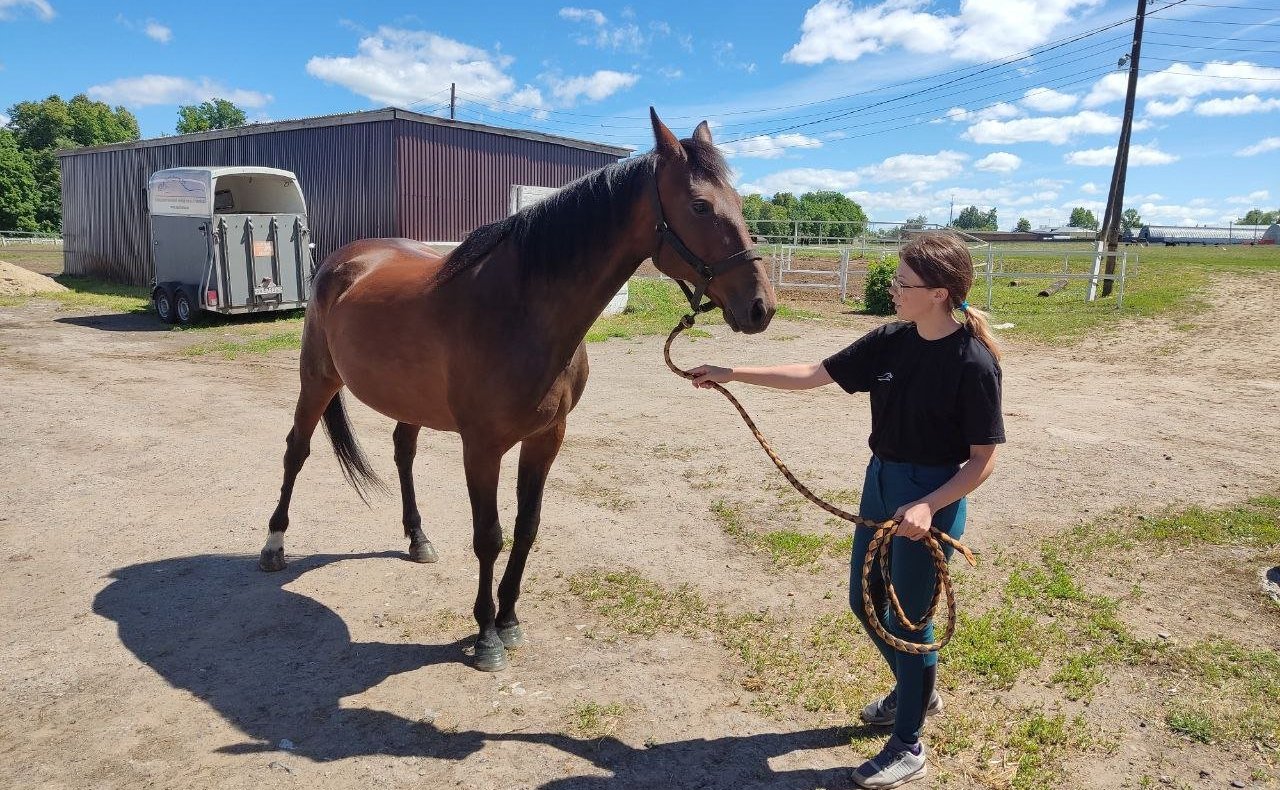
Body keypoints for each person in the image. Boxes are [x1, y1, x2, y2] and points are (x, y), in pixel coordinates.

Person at [688, 231, 1005, 789]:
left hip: (930, 496)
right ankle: (916, 692)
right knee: (865, 603)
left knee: (909, 623)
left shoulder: (972, 362)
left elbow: (982, 461)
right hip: (880, 482)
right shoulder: (890, 340)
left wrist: (929, 506)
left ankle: (908, 744)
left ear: (938, 293)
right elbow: (814, 374)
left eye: (903, 284)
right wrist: (732, 372)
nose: (893, 291)